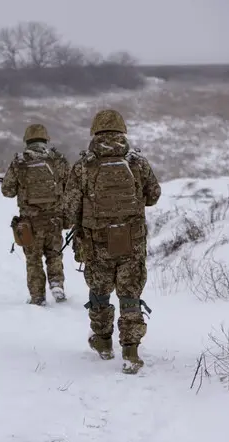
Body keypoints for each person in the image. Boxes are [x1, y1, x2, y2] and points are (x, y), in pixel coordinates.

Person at [63, 109, 161, 374]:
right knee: (129, 294)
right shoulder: (137, 163)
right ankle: (131, 352)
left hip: (96, 243)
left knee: (99, 292)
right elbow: (153, 196)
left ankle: (103, 342)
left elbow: (69, 209)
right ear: (122, 132)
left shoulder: (84, 165)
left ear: (95, 132)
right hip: (131, 240)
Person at [1, 123, 70, 306]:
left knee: (33, 260)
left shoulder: (20, 161)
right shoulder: (57, 159)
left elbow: (7, 191)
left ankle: (37, 297)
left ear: (27, 141)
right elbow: (70, 186)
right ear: (45, 139)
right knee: (54, 254)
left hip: (30, 223)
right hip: (54, 219)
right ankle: (56, 284)